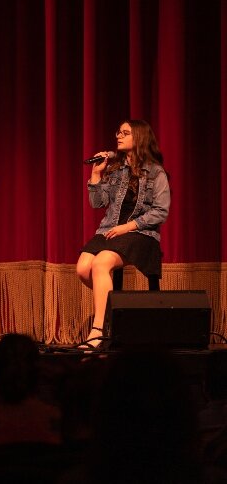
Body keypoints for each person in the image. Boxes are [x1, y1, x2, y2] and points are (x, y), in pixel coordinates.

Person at [76, 120, 170, 348]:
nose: (118, 136)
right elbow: (98, 203)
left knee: (100, 263)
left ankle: (99, 331)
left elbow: (161, 211)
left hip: (141, 233)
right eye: (118, 132)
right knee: (82, 268)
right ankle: (118, 312)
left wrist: (129, 226)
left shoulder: (156, 172)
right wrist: (96, 175)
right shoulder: (116, 169)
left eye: (125, 133)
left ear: (139, 138)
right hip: (109, 231)